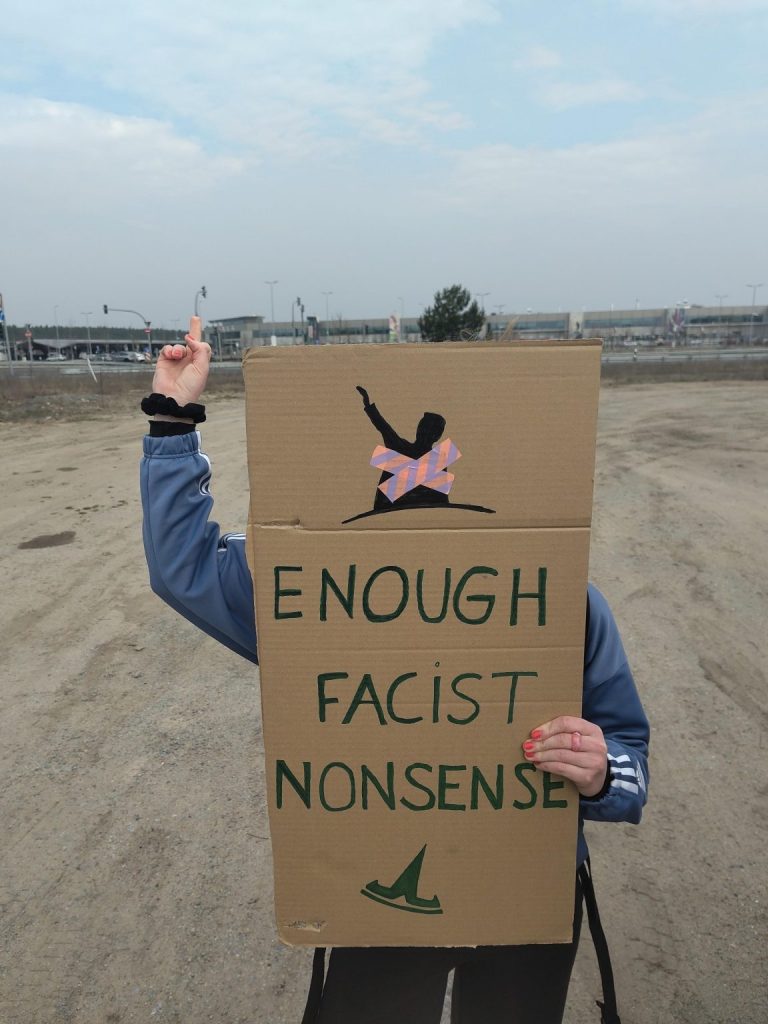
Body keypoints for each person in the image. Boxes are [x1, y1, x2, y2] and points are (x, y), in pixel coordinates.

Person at [140, 326, 650, 1024]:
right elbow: (184, 567)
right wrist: (173, 420)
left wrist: (600, 770)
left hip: (526, 898)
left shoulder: (564, 605)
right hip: (378, 900)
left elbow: (632, 767)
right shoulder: (314, 595)